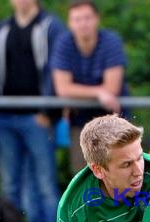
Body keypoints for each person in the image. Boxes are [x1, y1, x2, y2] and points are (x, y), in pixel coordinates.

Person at [0, 0, 65, 222]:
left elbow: (57, 69)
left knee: (45, 184)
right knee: (11, 187)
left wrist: (49, 112)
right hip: (4, 117)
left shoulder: (51, 26)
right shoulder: (1, 28)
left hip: (37, 117)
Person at [51, 0, 129, 174]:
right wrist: (99, 92)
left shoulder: (110, 41)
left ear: (97, 19)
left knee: (121, 177)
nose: (83, 23)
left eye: (87, 18)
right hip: (81, 123)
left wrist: (79, 92)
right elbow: (62, 88)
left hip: (115, 122)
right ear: (70, 23)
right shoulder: (64, 43)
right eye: (77, 19)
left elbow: (112, 88)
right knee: (84, 179)